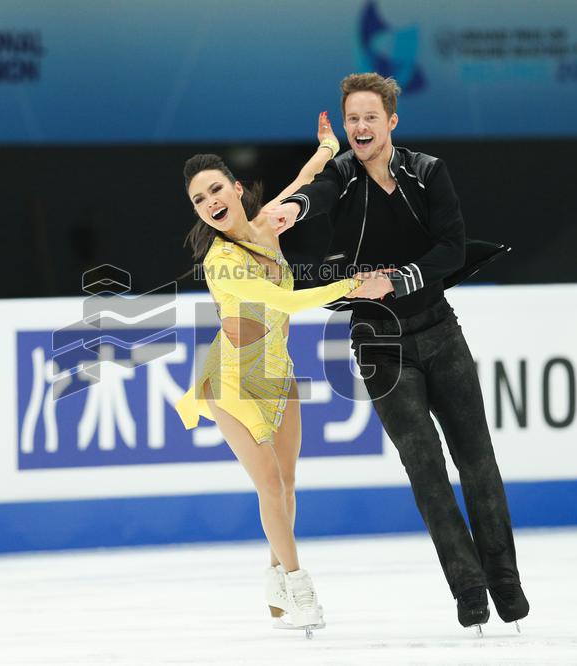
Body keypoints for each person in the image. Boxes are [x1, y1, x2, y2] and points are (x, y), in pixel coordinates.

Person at [262, 73, 527, 632]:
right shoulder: (342, 175)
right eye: (352, 119)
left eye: (370, 118)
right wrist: (294, 210)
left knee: (477, 459)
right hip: (378, 342)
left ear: (391, 122)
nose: (361, 127)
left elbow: (451, 248)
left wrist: (397, 280)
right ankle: (469, 587)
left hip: (439, 330)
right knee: (424, 467)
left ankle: (504, 579)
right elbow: (317, 193)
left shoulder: (427, 172)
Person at [174, 113, 391, 633]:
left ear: (237, 190)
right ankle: (299, 584)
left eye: (215, 189)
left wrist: (326, 149)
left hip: (278, 370)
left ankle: (275, 582)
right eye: (199, 200)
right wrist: (350, 287)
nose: (209, 202)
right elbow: (283, 301)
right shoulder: (221, 262)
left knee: (288, 484)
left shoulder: (267, 224)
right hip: (232, 381)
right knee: (269, 483)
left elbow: (301, 183)